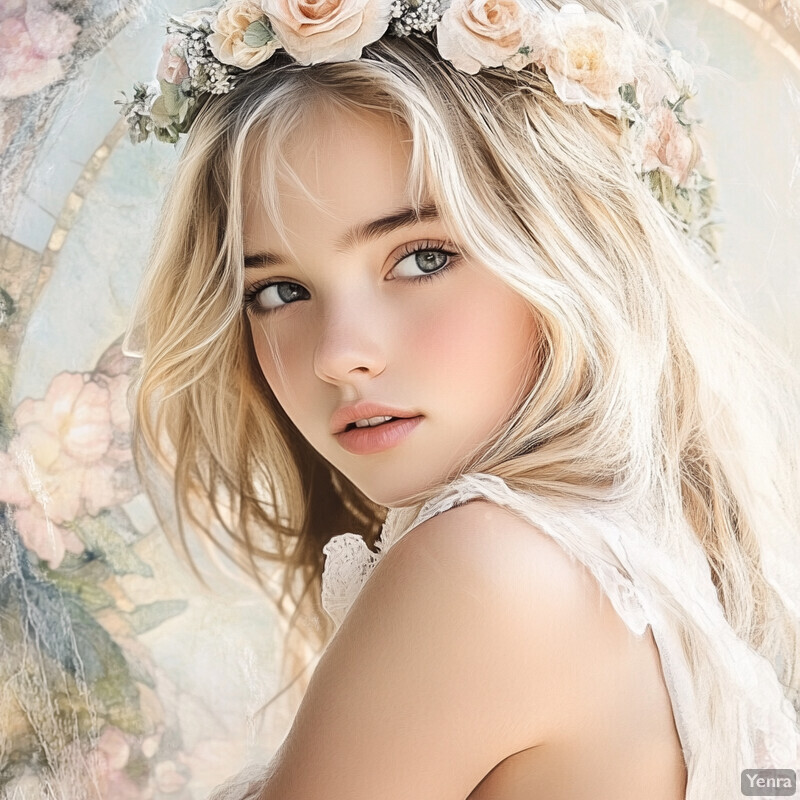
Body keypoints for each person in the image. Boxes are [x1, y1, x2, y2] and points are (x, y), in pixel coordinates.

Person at [120, 0, 800, 796]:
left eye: (422, 258)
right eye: (278, 290)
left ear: (569, 243)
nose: (340, 355)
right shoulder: (662, 556)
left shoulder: (482, 572)